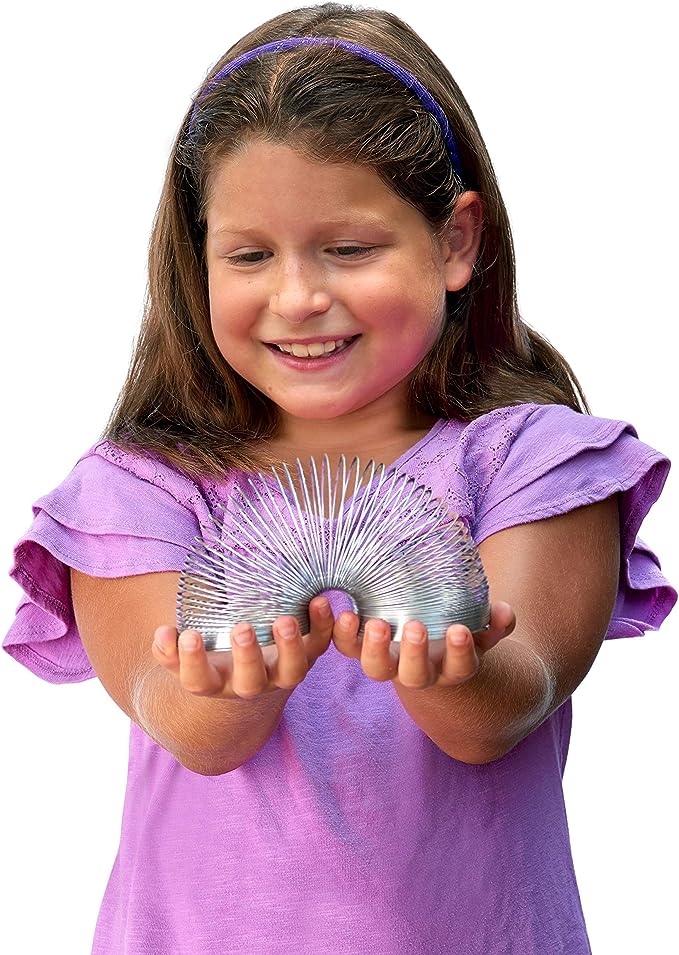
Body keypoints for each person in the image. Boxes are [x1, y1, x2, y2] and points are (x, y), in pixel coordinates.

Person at [3, 3, 676, 953]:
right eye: (249, 255)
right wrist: (227, 688)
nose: (298, 296)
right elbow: (188, 727)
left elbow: (505, 708)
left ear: (454, 241)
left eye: (348, 248)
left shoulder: (534, 464)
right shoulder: (144, 488)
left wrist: (459, 669)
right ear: (196, 262)